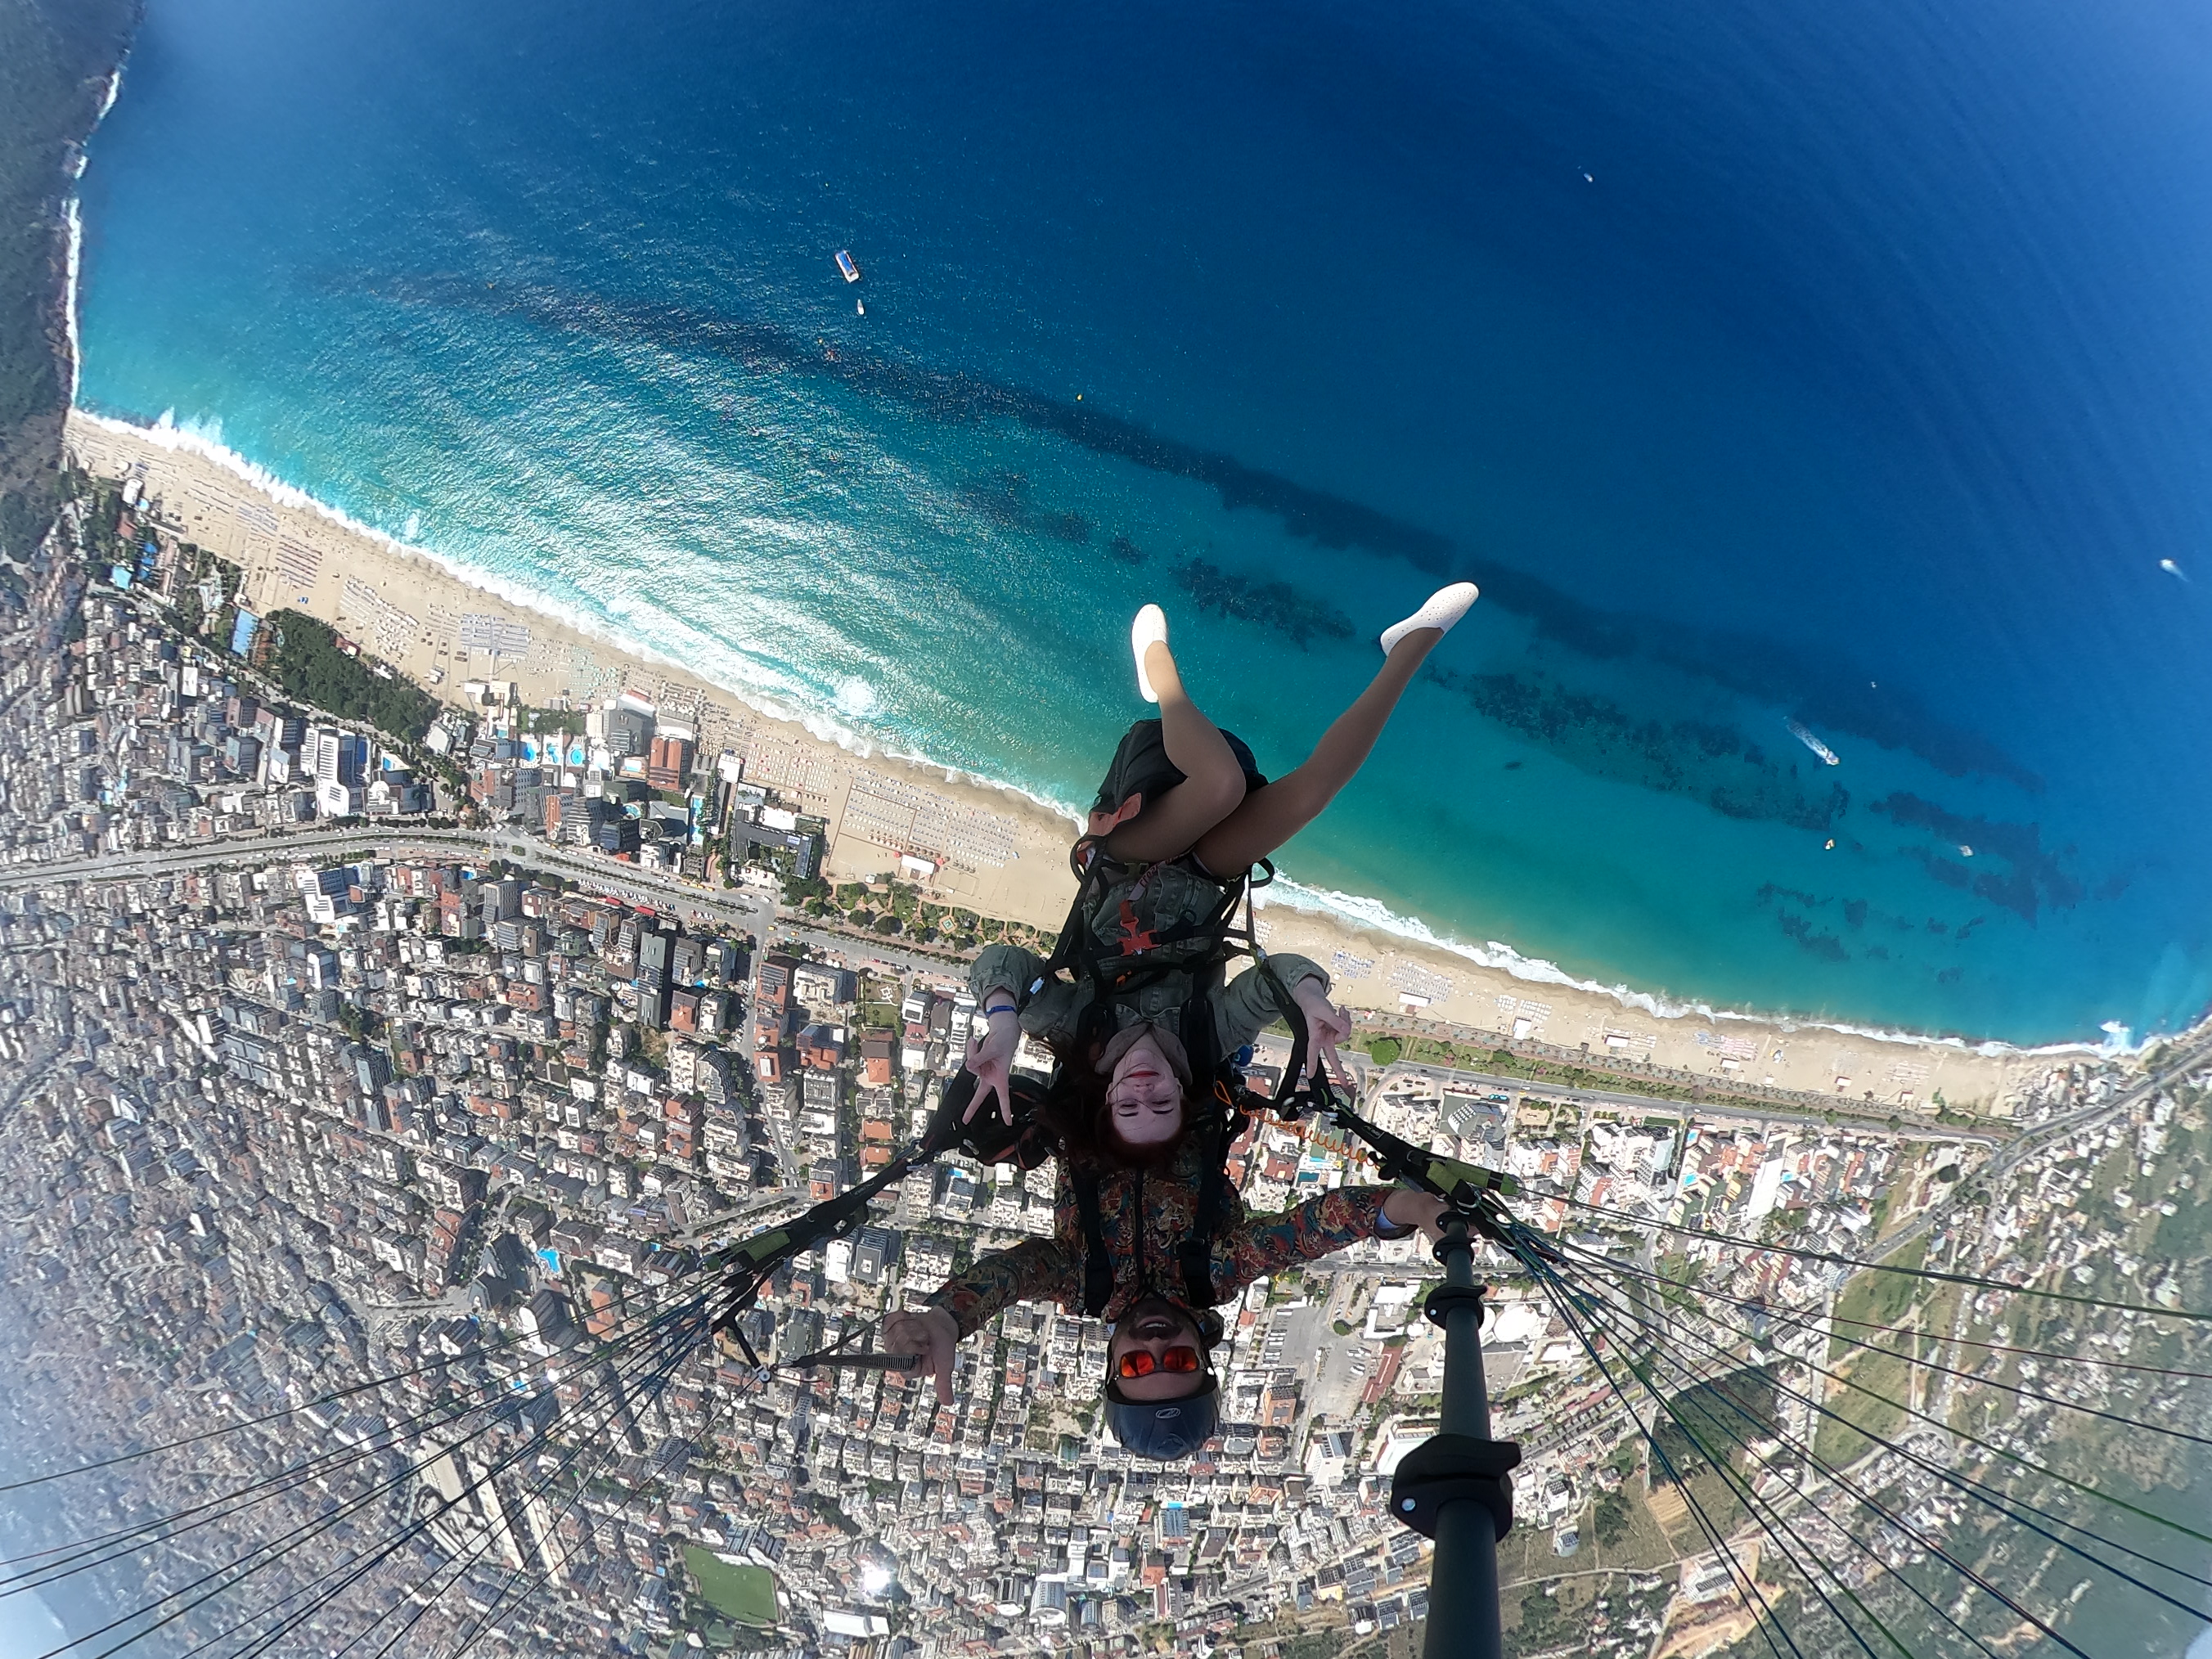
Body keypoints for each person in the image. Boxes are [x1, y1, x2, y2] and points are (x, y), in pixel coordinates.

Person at [960, 580, 1481, 1135]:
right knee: (1311, 794)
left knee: (1221, 786)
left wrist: (1004, 1021)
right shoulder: (1211, 1040)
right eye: (1162, 1106)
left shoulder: (1075, 1033)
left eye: (1128, 1108)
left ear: (1107, 1097)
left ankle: (1159, 671)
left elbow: (1001, 962)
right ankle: (1410, 645)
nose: (1144, 1092)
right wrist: (1307, 1001)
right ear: (1182, 1098)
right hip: (1206, 878)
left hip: (1126, 867)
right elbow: (1274, 977)